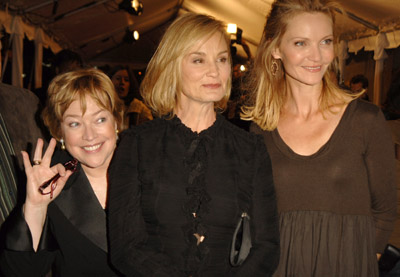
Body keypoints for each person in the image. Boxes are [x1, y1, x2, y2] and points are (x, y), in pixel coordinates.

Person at [107, 13, 280, 276]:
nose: (215, 71)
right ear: (172, 66)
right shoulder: (137, 145)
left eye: (222, 59)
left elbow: (266, 247)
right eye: (199, 59)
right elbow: (126, 247)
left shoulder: (250, 149)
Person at [242, 0, 397, 276]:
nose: (317, 56)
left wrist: (362, 258)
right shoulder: (261, 127)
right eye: (301, 43)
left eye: (325, 42)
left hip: (348, 264)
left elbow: (385, 209)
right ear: (276, 48)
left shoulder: (366, 120)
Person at [0, 68, 125, 276]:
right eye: (75, 123)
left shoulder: (148, 169)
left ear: (116, 121)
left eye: (100, 119)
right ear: (60, 133)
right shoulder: (53, 182)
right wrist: (35, 207)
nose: (89, 135)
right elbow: (20, 272)